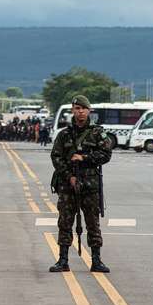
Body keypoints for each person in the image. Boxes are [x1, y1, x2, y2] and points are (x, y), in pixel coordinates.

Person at [49, 95, 112, 273]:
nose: (80, 112)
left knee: (93, 222)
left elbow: (106, 155)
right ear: (72, 111)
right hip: (68, 186)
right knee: (65, 222)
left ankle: (96, 260)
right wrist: (69, 176)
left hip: (90, 186)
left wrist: (84, 158)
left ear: (89, 110)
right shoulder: (64, 135)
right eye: (77, 108)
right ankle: (63, 260)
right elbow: (56, 157)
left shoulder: (98, 133)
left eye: (83, 108)